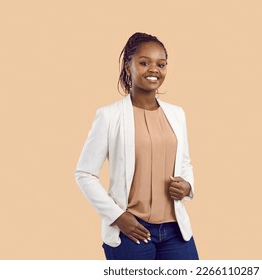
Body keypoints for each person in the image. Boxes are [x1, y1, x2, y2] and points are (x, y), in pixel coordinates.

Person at [74, 32, 199, 260]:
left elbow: (184, 162)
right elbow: (84, 173)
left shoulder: (177, 114)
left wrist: (188, 186)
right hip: (132, 231)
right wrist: (117, 216)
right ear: (128, 65)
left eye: (161, 64)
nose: (154, 69)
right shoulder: (109, 116)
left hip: (175, 231)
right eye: (144, 62)